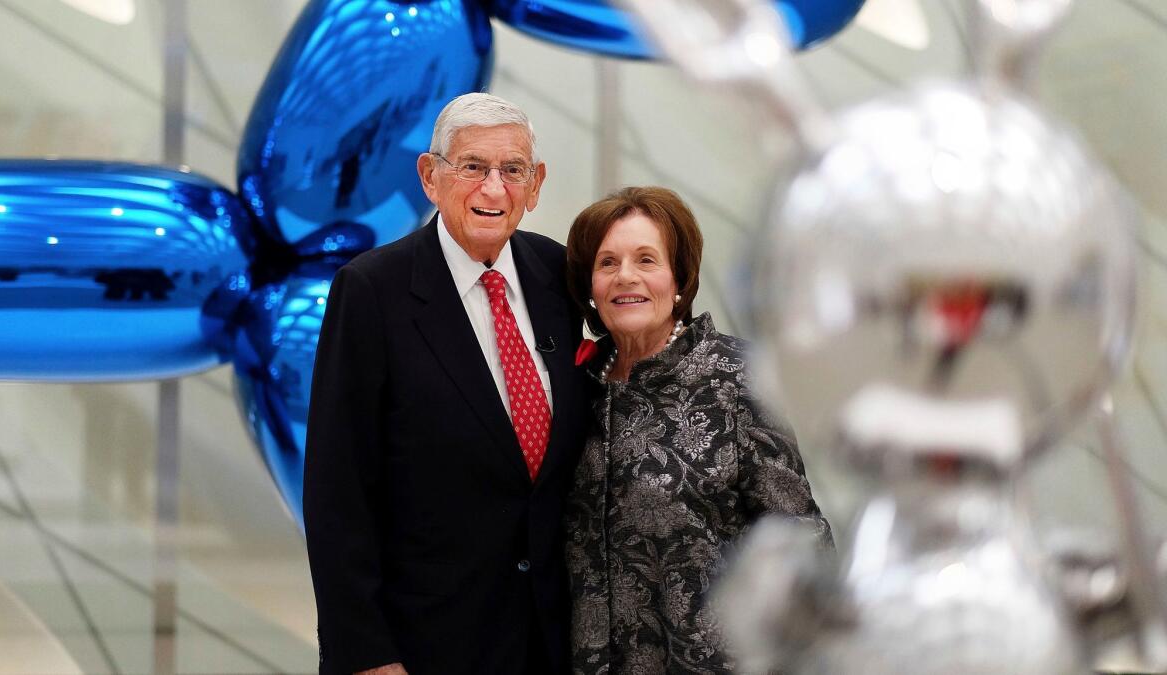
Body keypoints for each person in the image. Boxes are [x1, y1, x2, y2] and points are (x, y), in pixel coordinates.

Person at [304, 92, 589, 675]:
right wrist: (366, 656)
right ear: (430, 177)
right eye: (472, 167)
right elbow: (338, 493)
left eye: (511, 170)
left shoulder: (558, 275)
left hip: (550, 645)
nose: (493, 189)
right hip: (422, 647)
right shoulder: (370, 291)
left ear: (535, 185)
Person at [562, 186, 832, 674]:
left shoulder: (737, 375)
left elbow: (799, 537)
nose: (627, 276)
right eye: (608, 262)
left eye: (647, 260)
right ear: (589, 285)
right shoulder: (572, 386)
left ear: (679, 280)